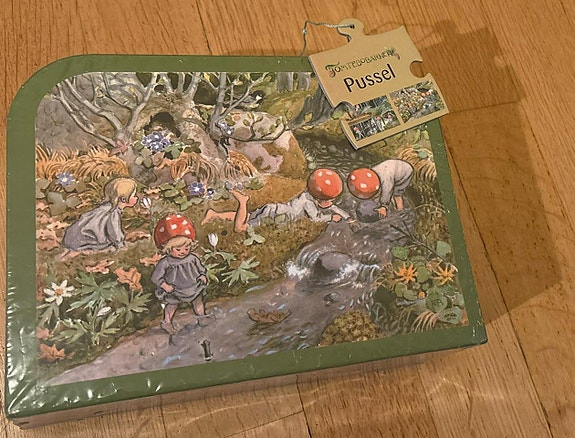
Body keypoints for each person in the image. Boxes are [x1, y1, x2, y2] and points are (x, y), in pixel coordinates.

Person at [201, 168, 351, 233]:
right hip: (274, 216)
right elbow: (316, 218)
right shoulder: (309, 203)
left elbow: (332, 207)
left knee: (248, 216)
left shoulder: (308, 195)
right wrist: (331, 218)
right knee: (240, 228)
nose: (331, 203)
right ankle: (242, 201)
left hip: (272, 209)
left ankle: (214, 214)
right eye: (330, 200)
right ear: (320, 197)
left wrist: (348, 217)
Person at [151, 214, 208, 334]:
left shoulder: (192, 258)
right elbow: (156, 277)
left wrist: (202, 275)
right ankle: (166, 322)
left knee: (198, 301)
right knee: (172, 305)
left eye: (186, 248)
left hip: (193, 286)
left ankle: (202, 317)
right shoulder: (166, 262)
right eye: (178, 249)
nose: (183, 252)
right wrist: (164, 285)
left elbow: (200, 268)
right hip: (175, 289)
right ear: (168, 248)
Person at [60, 177, 138, 258]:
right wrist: (120, 243)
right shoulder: (113, 211)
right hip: (84, 242)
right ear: (123, 199)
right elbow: (114, 232)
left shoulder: (104, 207)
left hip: (72, 238)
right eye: (134, 195)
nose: (136, 198)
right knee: (110, 246)